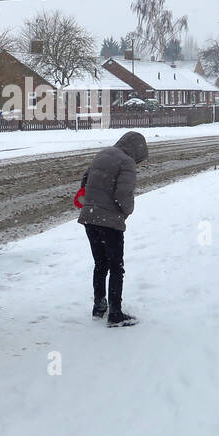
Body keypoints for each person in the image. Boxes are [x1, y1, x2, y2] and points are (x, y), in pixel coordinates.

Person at [76, 131, 147, 327]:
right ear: (136, 149)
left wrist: (92, 202)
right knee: (116, 266)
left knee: (100, 263)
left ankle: (99, 306)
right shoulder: (127, 162)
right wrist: (127, 211)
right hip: (109, 222)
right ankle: (115, 313)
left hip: (90, 217)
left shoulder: (103, 153)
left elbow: (84, 180)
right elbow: (123, 194)